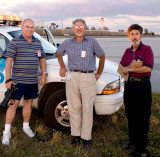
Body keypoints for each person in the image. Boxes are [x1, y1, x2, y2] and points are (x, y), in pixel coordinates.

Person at [56, 19, 105, 148]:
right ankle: (75, 135)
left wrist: (98, 73)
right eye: (76, 26)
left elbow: (102, 56)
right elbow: (58, 53)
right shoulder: (67, 42)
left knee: (87, 109)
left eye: (81, 26)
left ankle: (86, 138)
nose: (78, 28)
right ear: (73, 29)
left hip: (88, 76)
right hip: (71, 76)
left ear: (85, 28)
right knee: (74, 107)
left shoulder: (92, 42)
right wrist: (62, 67)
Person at [2, 18, 47, 145]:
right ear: (22, 28)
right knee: (13, 105)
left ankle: (26, 127)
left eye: (32, 27)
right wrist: (8, 79)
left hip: (32, 81)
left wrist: (43, 75)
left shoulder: (37, 42)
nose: (30, 29)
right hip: (17, 82)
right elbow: (9, 60)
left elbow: (42, 58)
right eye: (27, 27)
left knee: (28, 103)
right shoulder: (15, 42)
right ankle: (6, 132)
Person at [120, 24, 154, 157]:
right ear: (129, 37)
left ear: (141, 35)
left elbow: (148, 68)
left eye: (136, 34)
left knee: (143, 117)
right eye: (132, 34)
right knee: (131, 115)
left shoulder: (147, 49)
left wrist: (130, 68)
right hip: (130, 86)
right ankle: (133, 141)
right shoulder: (127, 52)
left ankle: (141, 148)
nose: (134, 37)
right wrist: (132, 67)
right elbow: (121, 69)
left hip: (143, 87)